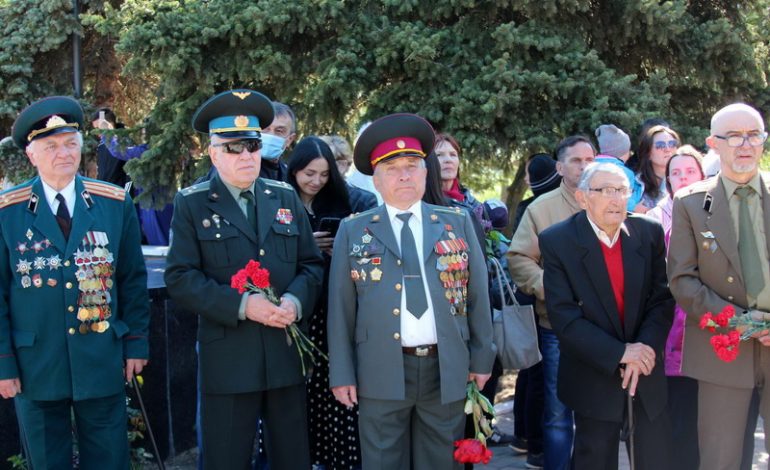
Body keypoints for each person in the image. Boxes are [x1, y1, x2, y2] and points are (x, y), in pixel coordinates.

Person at [164, 89, 324, 470]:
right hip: (229, 358)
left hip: (284, 353)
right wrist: (242, 305)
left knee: (292, 459)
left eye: (252, 145)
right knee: (226, 459)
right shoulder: (193, 202)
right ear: (213, 153)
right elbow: (180, 277)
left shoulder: (285, 197)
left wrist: (296, 302)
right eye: (233, 148)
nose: (246, 156)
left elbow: (311, 266)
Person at [328, 113, 495, 469]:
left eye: (412, 165)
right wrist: (341, 372)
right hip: (379, 368)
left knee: (440, 461)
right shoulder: (353, 230)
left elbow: (478, 297)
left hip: (445, 366)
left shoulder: (457, 222)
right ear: (375, 179)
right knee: (383, 460)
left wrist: (483, 357)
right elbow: (341, 310)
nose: (404, 174)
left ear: (425, 172)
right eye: (391, 168)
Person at [0, 96, 150, 469]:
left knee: (109, 459)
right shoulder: (8, 210)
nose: (62, 153)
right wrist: (3, 364)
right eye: (50, 146)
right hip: (36, 363)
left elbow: (132, 279)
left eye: (70, 143)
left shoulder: (114, 203)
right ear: (31, 156)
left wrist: (136, 343)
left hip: (100, 357)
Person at [540, 162, 674, 469]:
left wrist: (643, 351)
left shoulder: (648, 232)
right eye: (605, 191)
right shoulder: (558, 241)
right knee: (595, 458)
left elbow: (661, 300)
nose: (617, 199)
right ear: (582, 198)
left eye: (623, 191)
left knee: (655, 456)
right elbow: (564, 317)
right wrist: (620, 353)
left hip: (646, 367)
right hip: (593, 372)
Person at [668, 103, 770, 470]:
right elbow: (682, 281)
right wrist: (746, 323)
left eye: (754, 135)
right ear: (713, 143)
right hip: (722, 346)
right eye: (734, 136)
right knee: (720, 459)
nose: (745, 145)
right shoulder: (691, 203)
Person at [507, 135, 596, 470]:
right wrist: (553, 288)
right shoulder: (541, 209)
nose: (585, 166)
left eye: (591, 159)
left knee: (597, 414)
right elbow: (519, 259)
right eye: (576, 160)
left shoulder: (611, 201)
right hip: (557, 326)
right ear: (560, 167)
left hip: (606, 329)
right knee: (558, 414)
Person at [286, 136, 362, 469]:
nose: (316, 181)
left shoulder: (343, 203)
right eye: (308, 173)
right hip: (296, 311)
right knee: (299, 398)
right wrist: (307, 248)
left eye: (323, 174)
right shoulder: (279, 202)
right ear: (294, 171)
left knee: (337, 391)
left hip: (334, 309)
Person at [646, 145, 705, 469]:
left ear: (702, 174)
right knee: (673, 420)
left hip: (708, 330)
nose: (683, 178)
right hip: (668, 334)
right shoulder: (654, 221)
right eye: (676, 173)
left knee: (702, 423)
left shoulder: (717, 213)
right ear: (667, 180)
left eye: (689, 171)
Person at [319, 134, 379, 214]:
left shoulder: (363, 201)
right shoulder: (308, 195)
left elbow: (373, 225)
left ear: (343, 165)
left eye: (327, 162)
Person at [594, 124, 644, 212]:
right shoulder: (625, 173)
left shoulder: (591, 167)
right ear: (623, 152)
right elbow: (624, 199)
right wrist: (635, 206)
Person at [636, 125, 681, 211]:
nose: (668, 149)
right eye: (660, 145)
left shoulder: (687, 179)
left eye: (672, 144)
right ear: (648, 153)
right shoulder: (635, 185)